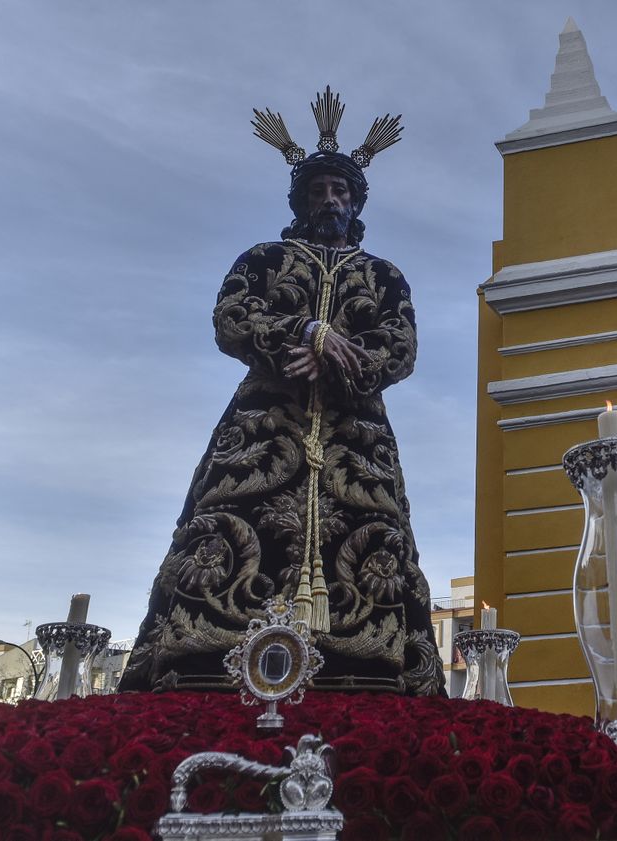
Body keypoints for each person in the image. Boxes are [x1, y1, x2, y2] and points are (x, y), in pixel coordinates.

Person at [120, 88, 442, 695]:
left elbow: (400, 346)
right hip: (264, 430)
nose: (330, 199)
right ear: (301, 200)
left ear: (355, 201)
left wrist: (347, 360)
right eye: (318, 190)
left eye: (340, 191)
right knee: (226, 534)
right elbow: (231, 316)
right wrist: (305, 331)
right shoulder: (263, 259)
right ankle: (204, 668)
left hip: (355, 438)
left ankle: (366, 673)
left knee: (371, 544)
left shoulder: (384, 275)